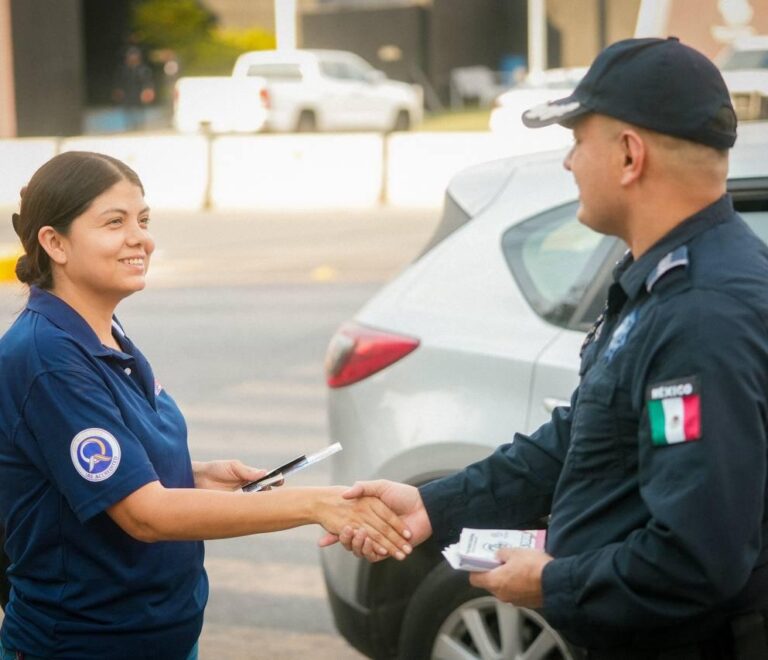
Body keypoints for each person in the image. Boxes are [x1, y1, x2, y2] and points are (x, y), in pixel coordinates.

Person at [322, 37, 768, 659]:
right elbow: (580, 438)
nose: (568, 163)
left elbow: (696, 560)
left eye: (578, 141)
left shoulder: (702, 313)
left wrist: (553, 583)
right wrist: (432, 505)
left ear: (629, 155)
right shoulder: (664, 280)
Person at [0, 151, 412, 660]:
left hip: (162, 636)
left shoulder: (104, 332)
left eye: (143, 220)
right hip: (84, 646)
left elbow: (94, 472)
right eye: (115, 222)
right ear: (55, 242)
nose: (141, 238)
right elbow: (145, 515)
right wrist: (316, 505)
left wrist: (191, 475)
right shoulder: (47, 358)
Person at [113, 46, 155, 131]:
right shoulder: (124, 69)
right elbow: (119, 82)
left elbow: (148, 81)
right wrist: (118, 91)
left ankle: (139, 127)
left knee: (139, 112)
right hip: (127, 95)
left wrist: (148, 91)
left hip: (139, 95)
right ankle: (130, 127)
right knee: (128, 113)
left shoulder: (143, 70)